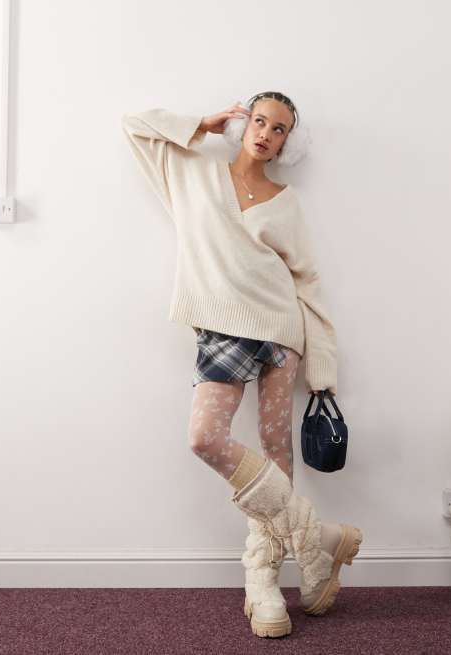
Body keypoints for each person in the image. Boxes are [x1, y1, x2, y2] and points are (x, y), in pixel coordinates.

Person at [121, 92, 362, 639]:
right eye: (259, 121)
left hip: (280, 328)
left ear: (287, 142)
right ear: (242, 123)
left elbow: (307, 282)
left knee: (277, 453)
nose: (266, 134)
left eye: (280, 129)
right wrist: (201, 124)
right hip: (221, 328)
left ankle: (264, 583)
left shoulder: (286, 202)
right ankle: (319, 540)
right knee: (205, 438)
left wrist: (322, 368)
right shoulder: (192, 173)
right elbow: (133, 125)